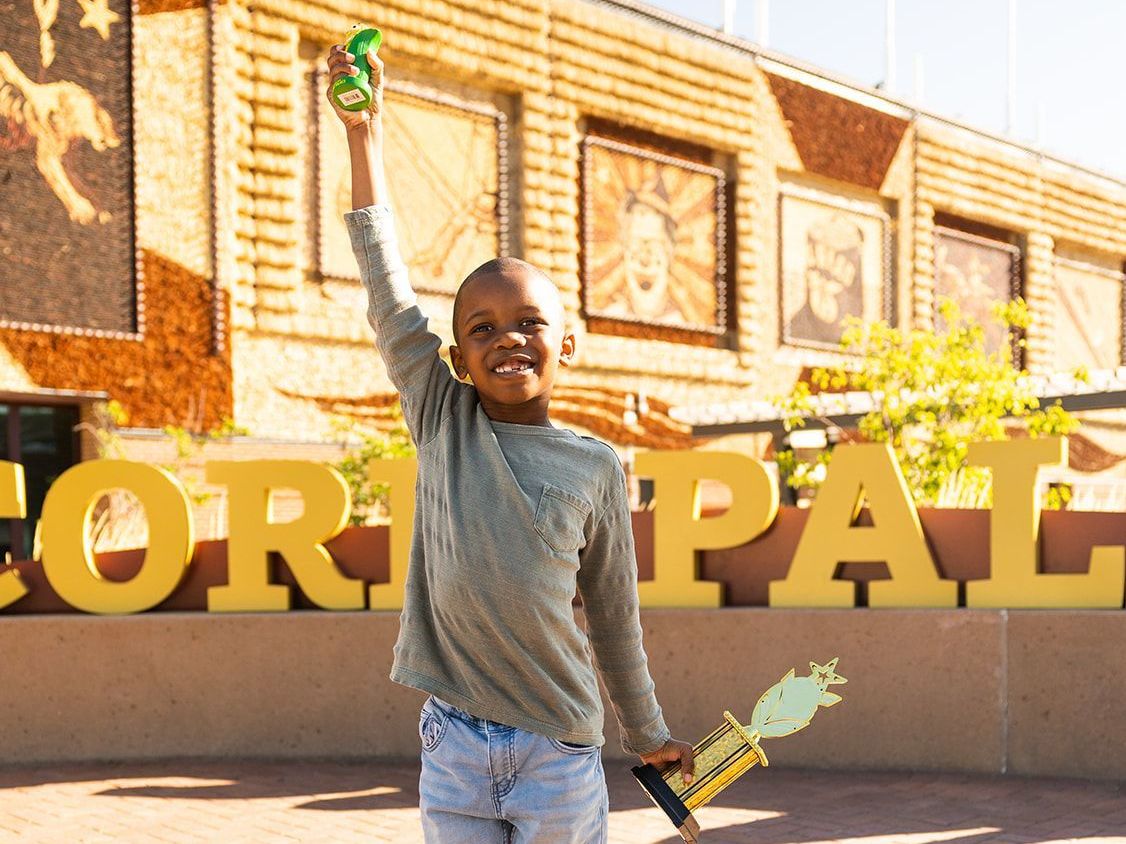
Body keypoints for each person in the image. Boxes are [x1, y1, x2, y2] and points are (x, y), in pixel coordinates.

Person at [324, 42, 694, 843]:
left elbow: (613, 616)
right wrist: (364, 136)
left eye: (530, 322)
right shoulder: (441, 418)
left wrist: (647, 732)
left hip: (558, 753)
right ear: (456, 357)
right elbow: (388, 289)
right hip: (452, 744)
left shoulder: (595, 466)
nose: (509, 339)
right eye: (482, 328)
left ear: (571, 340)